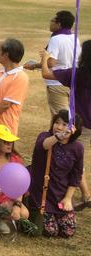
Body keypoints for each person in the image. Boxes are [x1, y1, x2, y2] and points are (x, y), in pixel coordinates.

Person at [40, 39, 91, 208]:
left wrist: (44, 58)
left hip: (80, 125)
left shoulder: (77, 74)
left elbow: (46, 74)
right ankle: (86, 195)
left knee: (77, 159)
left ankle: (86, 195)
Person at [27, 111, 83, 238]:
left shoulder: (77, 147)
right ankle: (33, 213)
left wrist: (68, 198)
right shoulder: (45, 137)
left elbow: (76, 175)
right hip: (42, 195)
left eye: (64, 124)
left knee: (68, 231)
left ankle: (56, 215)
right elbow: (42, 146)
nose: (59, 127)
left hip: (61, 195)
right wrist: (59, 136)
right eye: (57, 122)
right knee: (51, 231)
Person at [24, 10, 76, 116]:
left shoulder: (56, 39)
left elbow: (51, 63)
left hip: (57, 82)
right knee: (72, 115)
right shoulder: (74, 37)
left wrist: (35, 65)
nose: (50, 23)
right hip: (72, 81)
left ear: (59, 24)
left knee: (61, 117)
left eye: (52, 21)